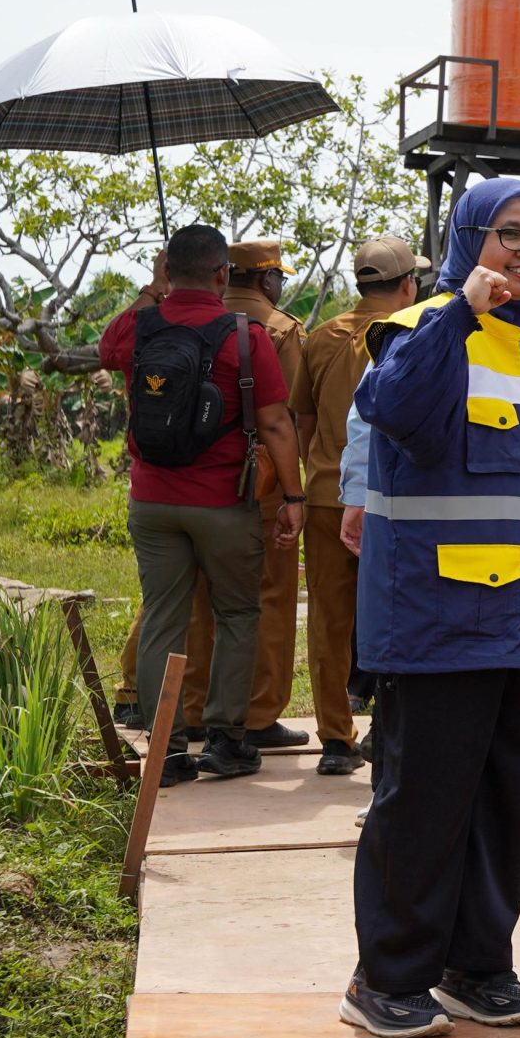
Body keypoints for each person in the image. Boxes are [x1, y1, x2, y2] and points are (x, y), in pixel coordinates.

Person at [344, 179, 520, 1038]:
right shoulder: (421, 327)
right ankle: (386, 977)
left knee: (504, 806)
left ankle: (476, 965)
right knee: (423, 804)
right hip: (437, 618)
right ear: (468, 239)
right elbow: (395, 410)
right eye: (509, 233)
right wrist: (461, 312)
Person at [100, 225, 305, 785]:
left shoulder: (139, 326)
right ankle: (226, 741)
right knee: (237, 614)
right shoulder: (246, 335)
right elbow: (276, 424)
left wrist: (152, 288)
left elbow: (107, 349)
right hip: (223, 503)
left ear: (168, 269)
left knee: (163, 618)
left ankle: (166, 752)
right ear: (222, 274)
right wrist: (293, 496)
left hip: (151, 501)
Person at [165, 240, 313, 750]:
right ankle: (257, 715)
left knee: (199, 599)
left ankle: (194, 709)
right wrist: (295, 492)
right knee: (268, 597)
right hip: (261, 481)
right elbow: (289, 415)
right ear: (267, 279)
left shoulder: (189, 322)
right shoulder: (280, 330)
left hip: (189, 480)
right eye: (280, 278)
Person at [293, 237, 427, 776]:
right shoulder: (418, 333)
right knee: (405, 614)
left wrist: (323, 471)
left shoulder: (321, 336)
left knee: (328, 620)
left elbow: (303, 421)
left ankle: (334, 739)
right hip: (398, 500)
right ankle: (390, 728)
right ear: (407, 285)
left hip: (328, 497)